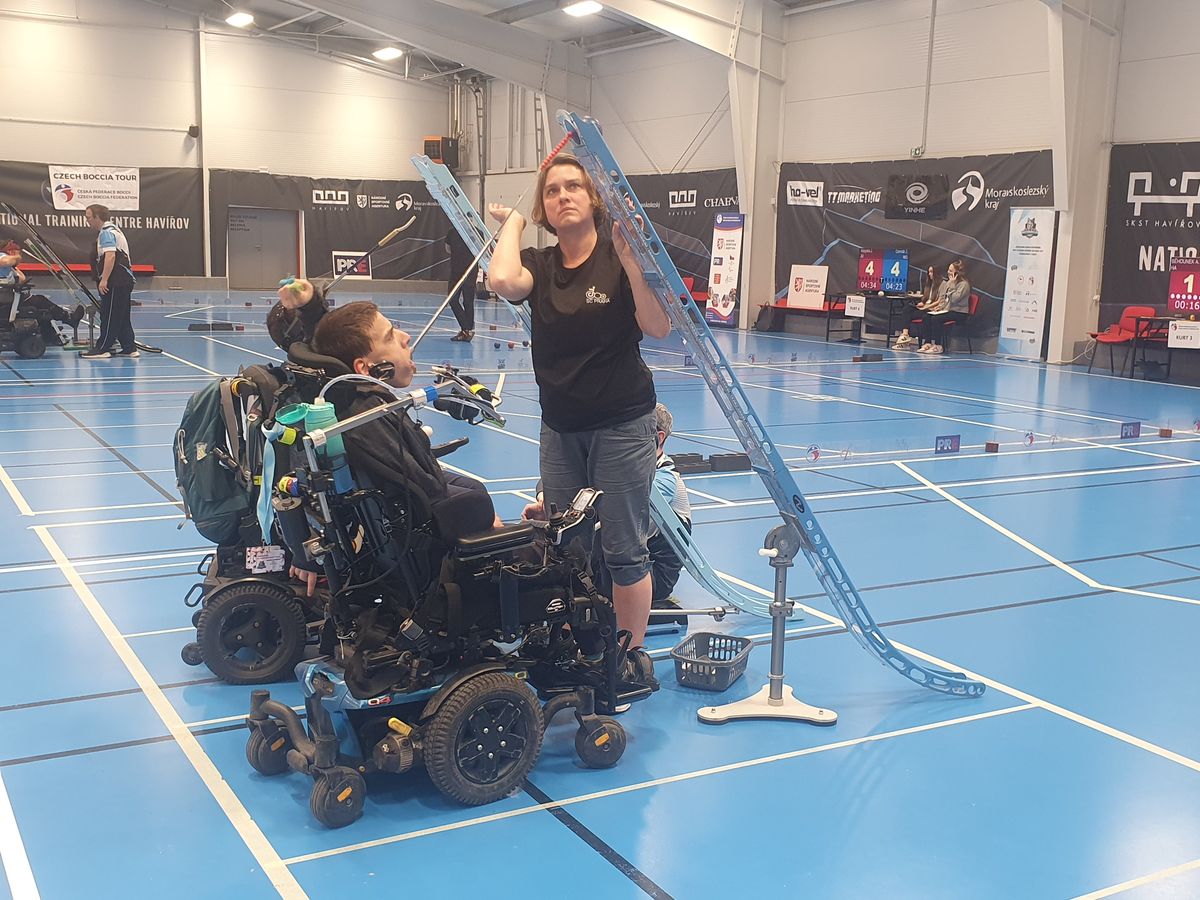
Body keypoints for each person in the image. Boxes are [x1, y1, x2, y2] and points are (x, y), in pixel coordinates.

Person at [486, 153, 671, 655]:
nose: (563, 196)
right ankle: (573, 646)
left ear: (593, 199)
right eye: (552, 190)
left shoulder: (618, 257)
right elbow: (501, 281)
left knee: (624, 551)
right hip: (560, 428)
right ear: (543, 208)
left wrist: (632, 264)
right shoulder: (540, 265)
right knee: (565, 547)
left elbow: (658, 327)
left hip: (622, 424)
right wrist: (514, 225)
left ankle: (626, 659)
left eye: (573, 186)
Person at [273, 281, 501, 595]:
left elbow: (329, 346)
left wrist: (311, 307)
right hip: (420, 544)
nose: (405, 337)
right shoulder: (369, 416)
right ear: (368, 368)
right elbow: (432, 492)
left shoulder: (346, 398)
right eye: (391, 336)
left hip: (394, 525)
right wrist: (487, 524)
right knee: (477, 504)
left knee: (473, 489)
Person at [81, 204, 138, 359]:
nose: (87, 221)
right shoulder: (114, 230)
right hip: (124, 281)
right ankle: (129, 347)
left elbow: (110, 256)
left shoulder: (106, 233)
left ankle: (103, 348)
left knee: (109, 315)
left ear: (97, 217)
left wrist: (104, 279)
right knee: (122, 316)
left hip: (116, 281)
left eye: (89, 217)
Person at [0, 241, 85, 342]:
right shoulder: (2, 256)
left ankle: (49, 333)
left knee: (40, 308)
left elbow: (22, 279)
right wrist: (16, 257)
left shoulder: (8, 267)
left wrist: (14, 267)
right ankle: (68, 318)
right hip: (7, 298)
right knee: (41, 301)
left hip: (10, 297)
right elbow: (5, 261)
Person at [916, 259, 970, 355]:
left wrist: (952, 286)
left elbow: (954, 299)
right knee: (926, 316)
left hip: (959, 312)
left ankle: (938, 345)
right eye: (948, 270)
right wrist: (940, 307)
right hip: (948, 310)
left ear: (957, 273)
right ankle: (927, 343)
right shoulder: (949, 283)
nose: (948, 272)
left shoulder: (964, 285)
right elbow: (945, 299)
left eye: (951, 270)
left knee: (936, 319)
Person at [893, 264, 938, 350]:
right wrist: (922, 303)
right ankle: (905, 335)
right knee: (907, 309)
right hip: (924, 307)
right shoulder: (928, 285)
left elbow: (939, 300)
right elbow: (926, 299)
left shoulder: (941, 285)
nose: (930, 274)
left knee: (921, 316)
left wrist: (927, 306)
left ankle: (925, 343)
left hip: (930, 309)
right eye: (929, 272)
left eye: (932, 272)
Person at [445, 227, 478, 342]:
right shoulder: (452, 231)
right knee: (452, 299)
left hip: (470, 270)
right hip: (456, 271)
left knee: (468, 301)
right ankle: (467, 328)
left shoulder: (476, 232)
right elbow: (448, 248)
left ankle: (466, 331)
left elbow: (480, 249)